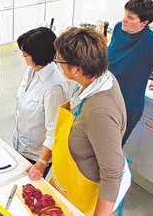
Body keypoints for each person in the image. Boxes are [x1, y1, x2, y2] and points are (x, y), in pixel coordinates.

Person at [50, 27, 130, 216]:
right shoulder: (100, 78)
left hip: (85, 193)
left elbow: (112, 173)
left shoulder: (99, 112)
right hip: (69, 180)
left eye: (59, 61)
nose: (58, 64)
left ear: (77, 70)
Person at [108, 0, 153, 146]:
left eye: (130, 17)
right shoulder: (119, 28)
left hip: (127, 106)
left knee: (112, 150)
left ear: (144, 23)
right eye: (125, 14)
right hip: (107, 96)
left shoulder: (152, 43)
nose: (124, 19)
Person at [15, 27, 69, 180]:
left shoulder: (54, 87)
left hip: (36, 156)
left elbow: (54, 130)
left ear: (39, 54)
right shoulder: (32, 69)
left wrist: (42, 162)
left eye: (27, 52)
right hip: (21, 144)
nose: (23, 55)